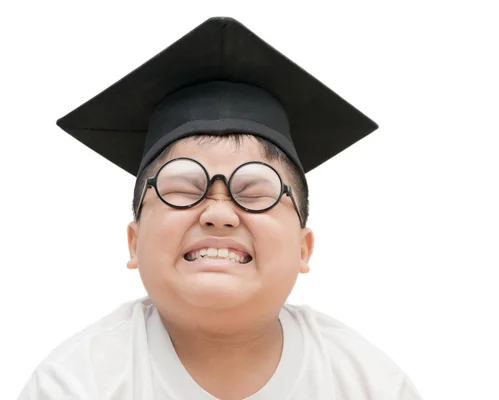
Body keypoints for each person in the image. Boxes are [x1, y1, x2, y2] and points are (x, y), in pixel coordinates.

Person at [17, 17, 422, 400]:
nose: (219, 213)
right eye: (182, 187)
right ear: (133, 241)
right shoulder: (77, 383)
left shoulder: (368, 383)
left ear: (304, 248)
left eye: (255, 191)